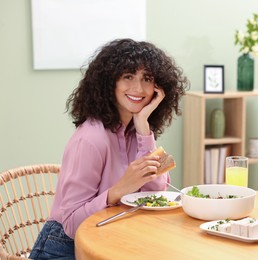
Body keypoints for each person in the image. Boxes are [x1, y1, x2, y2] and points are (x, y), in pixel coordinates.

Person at [29, 38, 189, 259]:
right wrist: (120, 188)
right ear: (109, 82)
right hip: (64, 247)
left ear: (158, 87)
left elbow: (157, 191)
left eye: (147, 79)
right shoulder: (91, 138)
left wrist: (144, 128)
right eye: (128, 76)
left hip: (112, 236)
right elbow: (71, 224)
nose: (138, 88)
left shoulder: (138, 130)